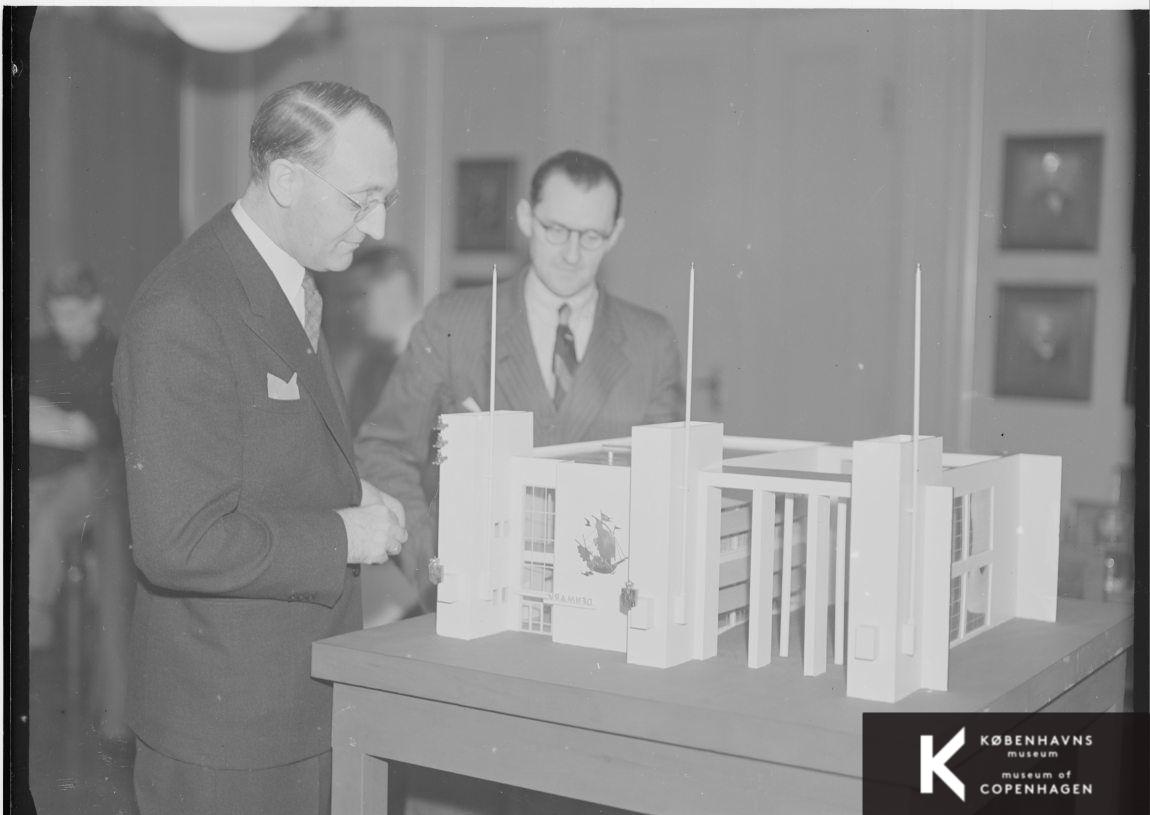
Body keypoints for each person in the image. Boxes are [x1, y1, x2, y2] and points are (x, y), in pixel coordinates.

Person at [112, 81, 408, 815]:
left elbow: (262, 457)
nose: (374, 227)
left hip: (298, 705)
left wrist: (347, 489)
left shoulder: (291, 283)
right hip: (229, 736)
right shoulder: (185, 310)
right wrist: (343, 532)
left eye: (386, 201)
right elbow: (177, 541)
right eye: (360, 199)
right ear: (285, 178)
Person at [356, 149, 684, 615]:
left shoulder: (652, 342)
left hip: (604, 610)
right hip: (474, 602)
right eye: (556, 230)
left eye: (591, 236)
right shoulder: (456, 321)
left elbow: (664, 486)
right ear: (526, 217)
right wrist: (436, 563)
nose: (572, 254)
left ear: (616, 234)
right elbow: (382, 450)